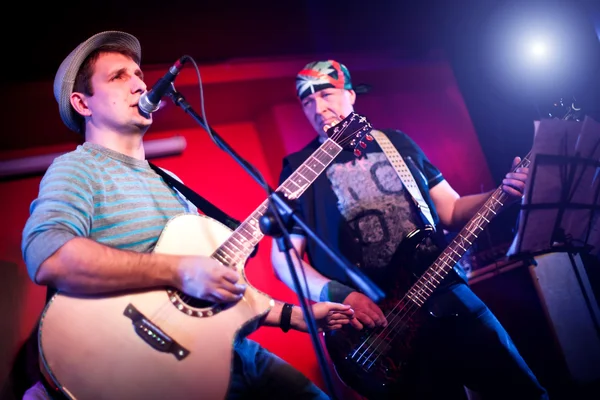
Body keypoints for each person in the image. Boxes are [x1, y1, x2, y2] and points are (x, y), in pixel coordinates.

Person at [20, 32, 355, 400]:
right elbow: (49, 256)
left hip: (232, 352)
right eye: (119, 77)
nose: (139, 84)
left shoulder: (173, 182)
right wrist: (179, 270)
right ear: (83, 104)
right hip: (157, 371)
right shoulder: (77, 168)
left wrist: (294, 316)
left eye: (138, 76)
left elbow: (204, 291)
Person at [270, 60, 549, 399]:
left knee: (521, 392)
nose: (318, 108)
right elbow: (284, 259)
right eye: (307, 102)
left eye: (326, 94)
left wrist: (501, 193)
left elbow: (450, 209)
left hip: (443, 290)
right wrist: (341, 297)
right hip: (376, 328)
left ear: (351, 95)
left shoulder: (397, 143)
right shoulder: (299, 168)